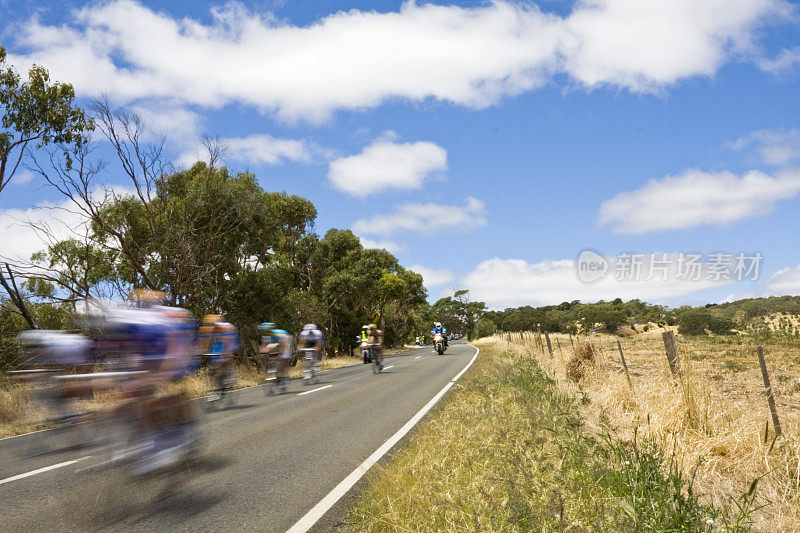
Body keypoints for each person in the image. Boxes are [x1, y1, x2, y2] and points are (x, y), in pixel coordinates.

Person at [259, 322, 292, 391]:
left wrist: (281, 355)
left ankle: (284, 379)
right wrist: (261, 353)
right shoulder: (266, 336)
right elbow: (264, 346)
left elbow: (284, 346)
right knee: (272, 353)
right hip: (276, 343)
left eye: (267, 332)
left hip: (286, 341)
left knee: (283, 360)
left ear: (270, 330)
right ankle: (277, 375)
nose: (265, 333)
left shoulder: (278, 335)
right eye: (264, 332)